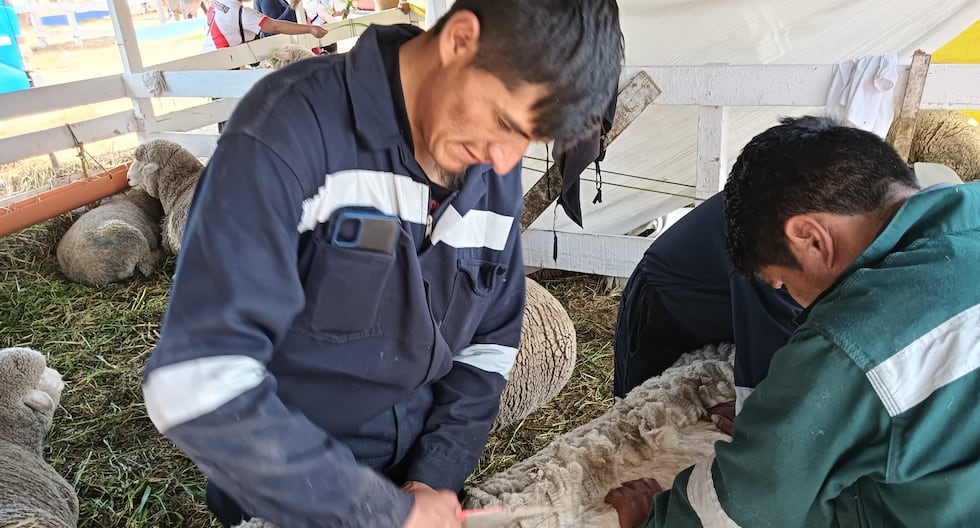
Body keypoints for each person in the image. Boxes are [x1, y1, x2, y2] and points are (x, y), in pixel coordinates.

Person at [141, 1, 624, 528]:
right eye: (506, 122)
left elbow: (489, 346)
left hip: (419, 480)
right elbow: (194, 379)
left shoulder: (489, 164)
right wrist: (375, 510)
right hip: (293, 491)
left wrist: (435, 474)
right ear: (460, 40)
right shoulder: (286, 133)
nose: (507, 162)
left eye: (529, 140)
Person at [606, 115, 980, 527]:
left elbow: (741, 505)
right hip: (665, 303)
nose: (789, 299)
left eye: (782, 283)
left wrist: (652, 522)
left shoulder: (851, 342)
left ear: (812, 238)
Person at [613, 192, 802, 429]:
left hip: (728, 306)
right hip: (668, 305)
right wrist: (753, 412)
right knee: (647, 425)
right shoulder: (780, 247)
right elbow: (773, 322)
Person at [203, 0, 327, 51]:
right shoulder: (241, 13)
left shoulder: (217, 3)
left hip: (211, 58)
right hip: (225, 64)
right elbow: (275, 27)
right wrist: (310, 29)